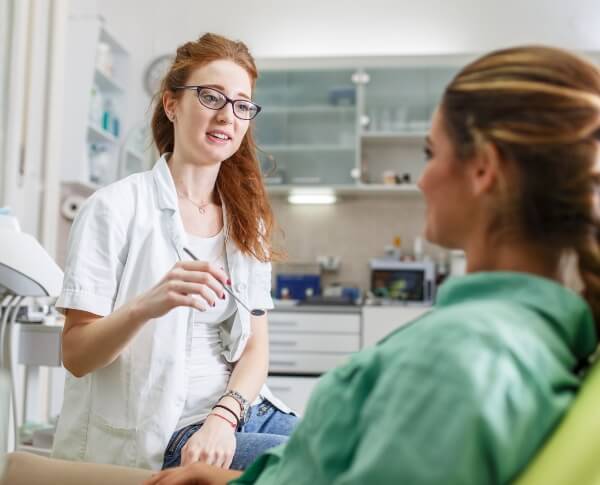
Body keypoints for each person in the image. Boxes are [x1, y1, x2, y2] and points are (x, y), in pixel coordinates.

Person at [144, 45, 600, 484]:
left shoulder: (456, 360)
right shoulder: (541, 338)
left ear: (483, 169)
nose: (421, 180)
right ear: (172, 106)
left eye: (430, 153)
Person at [52, 33, 297, 471]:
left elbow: (255, 349)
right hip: (167, 429)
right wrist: (147, 305)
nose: (228, 115)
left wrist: (224, 416)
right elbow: (75, 355)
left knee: (367, 456)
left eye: (242, 104)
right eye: (211, 96)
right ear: (172, 104)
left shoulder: (247, 219)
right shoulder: (113, 208)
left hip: (240, 412)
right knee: (315, 471)